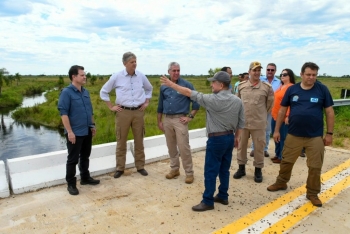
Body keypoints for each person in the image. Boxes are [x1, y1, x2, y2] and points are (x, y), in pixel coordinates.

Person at [160, 71, 244, 212]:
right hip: (230, 138)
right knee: (224, 169)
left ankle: (207, 201)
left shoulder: (213, 100)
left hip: (216, 139)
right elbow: (241, 123)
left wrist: (170, 84)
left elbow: (189, 92)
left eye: (213, 82)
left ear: (221, 85)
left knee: (210, 171)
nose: (211, 84)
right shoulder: (238, 101)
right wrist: (236, 138)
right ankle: (223, 195)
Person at [267, 62, 334, 208]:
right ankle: (281, 182)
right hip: (294, 134)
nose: (311, 77)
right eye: (308, 74)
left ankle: (312, 193)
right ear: (302, 74)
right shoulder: (293, 90)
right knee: (286, 161)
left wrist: (329, 133)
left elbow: (329, 112)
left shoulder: (322, 90)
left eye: (314, 75)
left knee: (315, 166)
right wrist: (277, 130)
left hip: (315, 136)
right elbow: (282, 111)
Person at [100, 52, 153, 178]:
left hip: (138, 112)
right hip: (122, 112)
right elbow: (104, 91)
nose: (134, 64)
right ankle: (120, 168)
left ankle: (140, 166)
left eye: (135, 61)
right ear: (125, 63)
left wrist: (146, 102)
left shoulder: (141, 76)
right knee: (121, 140)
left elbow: (149, 88)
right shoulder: (117, 76)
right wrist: (111, 106)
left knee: (139, 140)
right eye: (132, 62)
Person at [58, 65, 100, 196]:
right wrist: (69, 131)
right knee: (73, 159)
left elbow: (90, 111)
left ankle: (85, 178)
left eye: (84, 74)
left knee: (85, 156)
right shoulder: (66, 92)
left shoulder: (85, 92)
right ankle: (71, 184)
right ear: (74, 77)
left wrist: (92, 125)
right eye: (82, 75)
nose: (85, 77)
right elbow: (64, 114)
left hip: (87, 129)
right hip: (75, 132)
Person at [157, 62, 200, 184]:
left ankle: (189, 173)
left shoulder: (186, 85)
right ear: (169, 71)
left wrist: (190, 117)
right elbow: (160, 105)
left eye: (178, 70)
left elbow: (196, 103)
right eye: (174, 70)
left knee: (183, 147)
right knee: (171, 146)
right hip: (167, 119)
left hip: (180, 119)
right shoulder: (163, 87)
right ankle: (175, 169)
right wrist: (159, 121)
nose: (176, 73)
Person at [234, 61, 274, 183]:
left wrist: (260, 115)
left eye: (258, 70)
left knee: (259, 147)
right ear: (249, 71)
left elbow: (269, 105)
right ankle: (241, 168)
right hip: (243, 123)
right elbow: (237, 104)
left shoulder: (267, 88)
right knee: (241, 146)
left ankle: (258, 170)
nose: (257, 72)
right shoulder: (241, 86)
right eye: (254, 70)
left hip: (258, 123)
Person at [250, 63, 281, 157]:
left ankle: (264, 149)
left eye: (272, 70)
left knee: (267, 130)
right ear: (266, 70)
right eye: (268, 70)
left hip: (271, 109)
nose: (270, 72)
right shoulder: (260, 80)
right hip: (259, 109)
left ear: (275, 71)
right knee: (256, 129)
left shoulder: (279, 82)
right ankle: (253, 148)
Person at [270, 69, 296, 163]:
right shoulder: (281, 86)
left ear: (290, 76)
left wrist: (288, 115)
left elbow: (291, 103)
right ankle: (277, 154)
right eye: (281, 74)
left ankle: (282, 156)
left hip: (284, 116)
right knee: (275, 135)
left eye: (285, 74)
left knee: (282, 137)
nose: (282, 76)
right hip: (275, 115)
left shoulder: (291, 87)